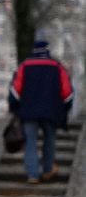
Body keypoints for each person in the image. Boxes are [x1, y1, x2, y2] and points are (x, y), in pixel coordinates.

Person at [8, 38, 74, 184]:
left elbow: (15, 91)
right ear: (47, 51)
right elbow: (67, 92)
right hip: (51, 112)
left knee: (30, 142)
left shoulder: (24, 66)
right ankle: (47, 170)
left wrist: (15, 108)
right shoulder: (57, 66)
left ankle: (33, 175)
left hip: (28, 112)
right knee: (49, 140)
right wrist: (65, 109)